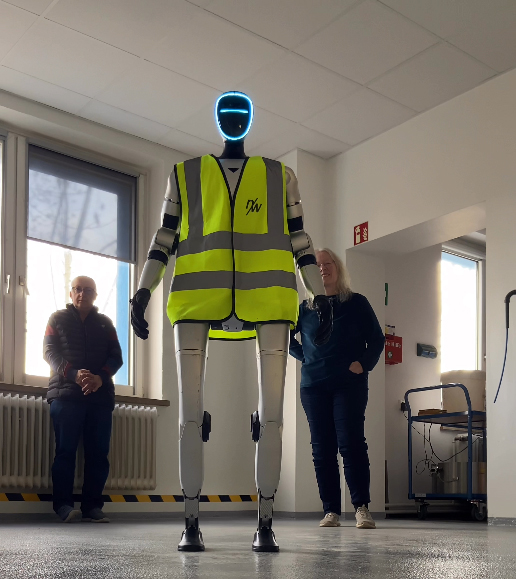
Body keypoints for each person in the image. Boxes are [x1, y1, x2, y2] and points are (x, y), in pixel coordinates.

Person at [130, 91, 332, 553]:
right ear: (219, 120)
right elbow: (164, 237)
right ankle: (191, 521)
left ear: (251, 118)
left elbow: (301, 240)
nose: (235, 117)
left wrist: (318, 296)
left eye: (242, 110)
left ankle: (265, 521)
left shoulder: (281, 176)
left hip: (270, 302)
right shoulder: (186, 175)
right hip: (197, 300)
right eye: (228, 111)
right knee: (189, 416)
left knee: (273, 416)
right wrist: (144, 289)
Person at [289, 249, 385, 529]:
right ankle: (330, 510)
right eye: (315, 266)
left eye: (326, 264)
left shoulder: (356, 303)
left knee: (351, 444)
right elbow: (285, 334)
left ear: (337, 268)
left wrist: (364, 364)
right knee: (322, 449)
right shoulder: (305, 307)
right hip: (313, 386)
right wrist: (303, 355)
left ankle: (361, 508)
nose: (321, 269)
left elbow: (377, 339)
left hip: (348, 385)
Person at [44, 276, 123, 523]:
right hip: (66, 396)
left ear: (95, 295)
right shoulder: (56, 319)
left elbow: (116, 357)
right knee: (65, 452)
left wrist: (100, 378)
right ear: (71, 293)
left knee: (98, 453)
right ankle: (64, 506)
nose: (82, 294)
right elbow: (49, 352)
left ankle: (92, 507)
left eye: (88, 290)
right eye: (77, 289)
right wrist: (74, 374)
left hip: (99, 399)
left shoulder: (106, 324)